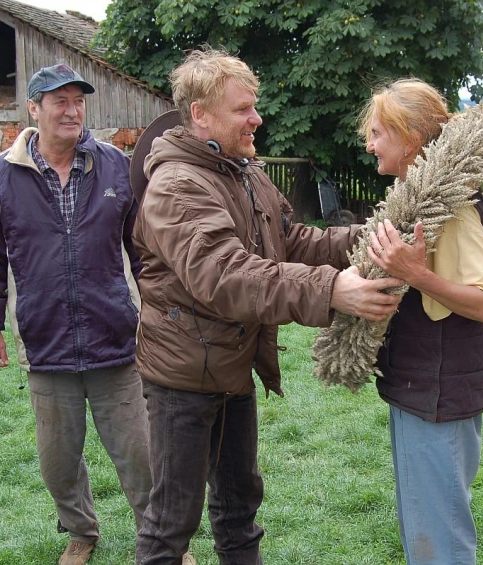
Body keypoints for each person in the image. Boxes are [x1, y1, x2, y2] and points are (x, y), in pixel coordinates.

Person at [132, 47, 404, 565]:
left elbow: (292, 240)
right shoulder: (177, 185)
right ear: (199, 115)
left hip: (232, 368)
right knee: (171, 524)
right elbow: (226, 275)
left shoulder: (244, 172)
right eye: (242, 109)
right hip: (183, 380)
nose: (256, 118)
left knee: (238, 512)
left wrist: (371, 237)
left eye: (254, 106)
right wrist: (330, 290)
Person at [0, 63, 163, 565]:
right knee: (58, 462)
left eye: (78, 100)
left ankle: (159, 539)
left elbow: (145, 249)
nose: (72, 110)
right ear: (34, 109)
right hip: (45, 341)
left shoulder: (114, 166)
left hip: (116, 337)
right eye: (59, 101)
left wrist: (158, 310)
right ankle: (80, 531)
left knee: (139, 455)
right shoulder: (1, 177)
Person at [359, 78, 483, 565]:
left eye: (378, 132)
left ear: (412, 139)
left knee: (438, 542)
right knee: (426, 527)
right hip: (423, 389)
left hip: (439, 395)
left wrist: (414, 274)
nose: (369, 142)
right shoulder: (423, 197)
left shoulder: (455, 207)